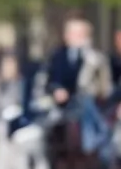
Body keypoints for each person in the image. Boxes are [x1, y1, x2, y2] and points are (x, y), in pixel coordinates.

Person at [45, 16, 111, 155]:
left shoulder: (95, 58)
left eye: (80, 34)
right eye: (72, 33)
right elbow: (50, 80)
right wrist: (57, 90)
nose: (76, 37)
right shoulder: (57, 56)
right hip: (62, 105)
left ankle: (93, 149)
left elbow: (103, 86)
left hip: (88, 104)